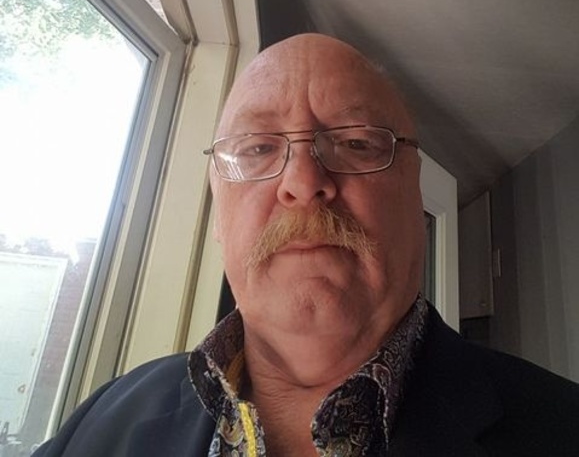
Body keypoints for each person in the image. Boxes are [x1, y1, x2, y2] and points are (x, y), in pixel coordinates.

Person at [34, 34, 579, 456]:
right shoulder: (102, 417)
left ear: (414, 192)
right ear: (219, 211)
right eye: (257, 148)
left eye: (356, 142)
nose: (301, 181)